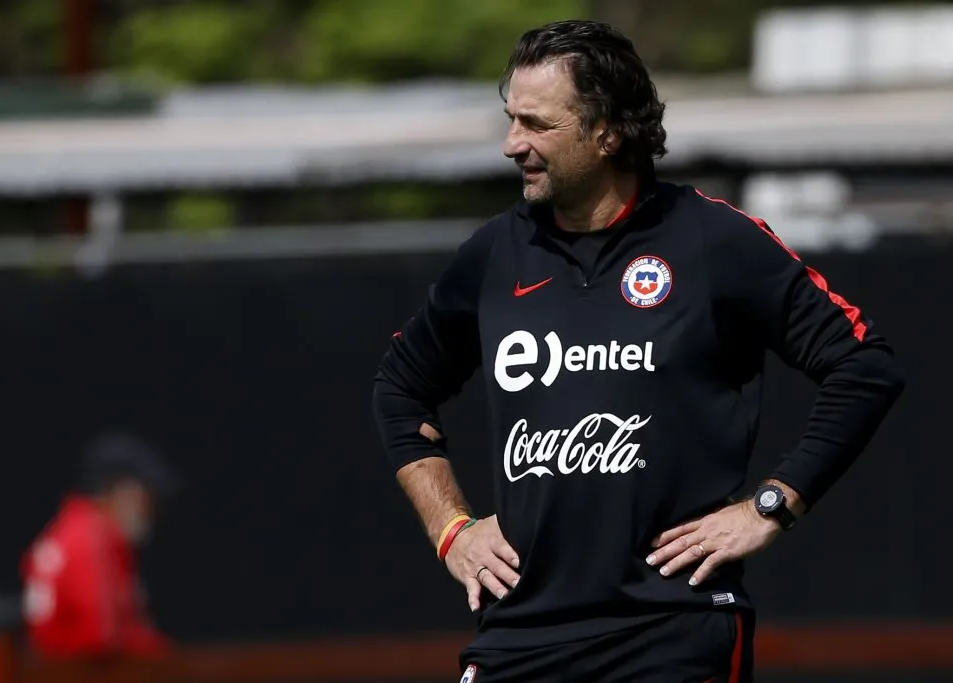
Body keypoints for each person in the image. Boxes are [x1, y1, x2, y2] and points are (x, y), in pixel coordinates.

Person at [372, 19, 904, 683]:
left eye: (536, 124)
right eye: (511, 120)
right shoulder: (492, 255)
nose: (513, 144)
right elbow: (400, 389)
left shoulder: (714, 240)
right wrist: (453, 529)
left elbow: (863, 365)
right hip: (518, 636)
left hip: (671, 633)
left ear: (606, 132)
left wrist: (771, 505)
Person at [21, 431, 178, 661]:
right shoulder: (90, 539)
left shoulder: (72, 529)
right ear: (121, 491)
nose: (152, 510)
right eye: (147, 497)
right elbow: (100, 638)